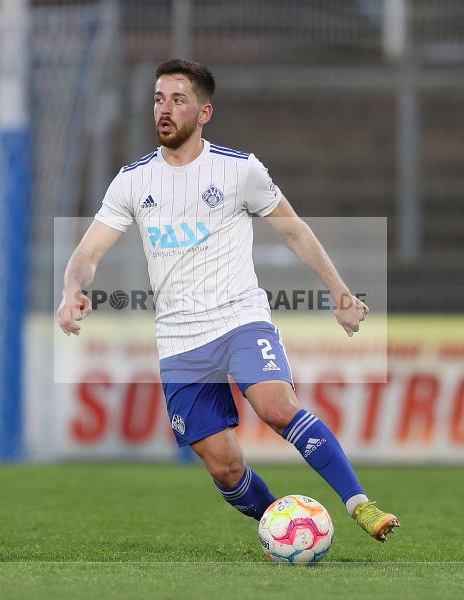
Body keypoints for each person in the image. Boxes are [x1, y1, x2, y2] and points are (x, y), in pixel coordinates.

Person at [57, 59, 399, 542]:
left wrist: (339, 291)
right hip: (179, 339)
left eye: (178, 100)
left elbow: (295, 231)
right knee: (224, 467)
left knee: (276, 407)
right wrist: (73, 288)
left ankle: (359, 504)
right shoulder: (133, 181)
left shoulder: (239, 170)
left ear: (204, 112)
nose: (164, 109)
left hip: (239, 318)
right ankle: (285, 528)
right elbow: (87, 252)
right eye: (158, 99)